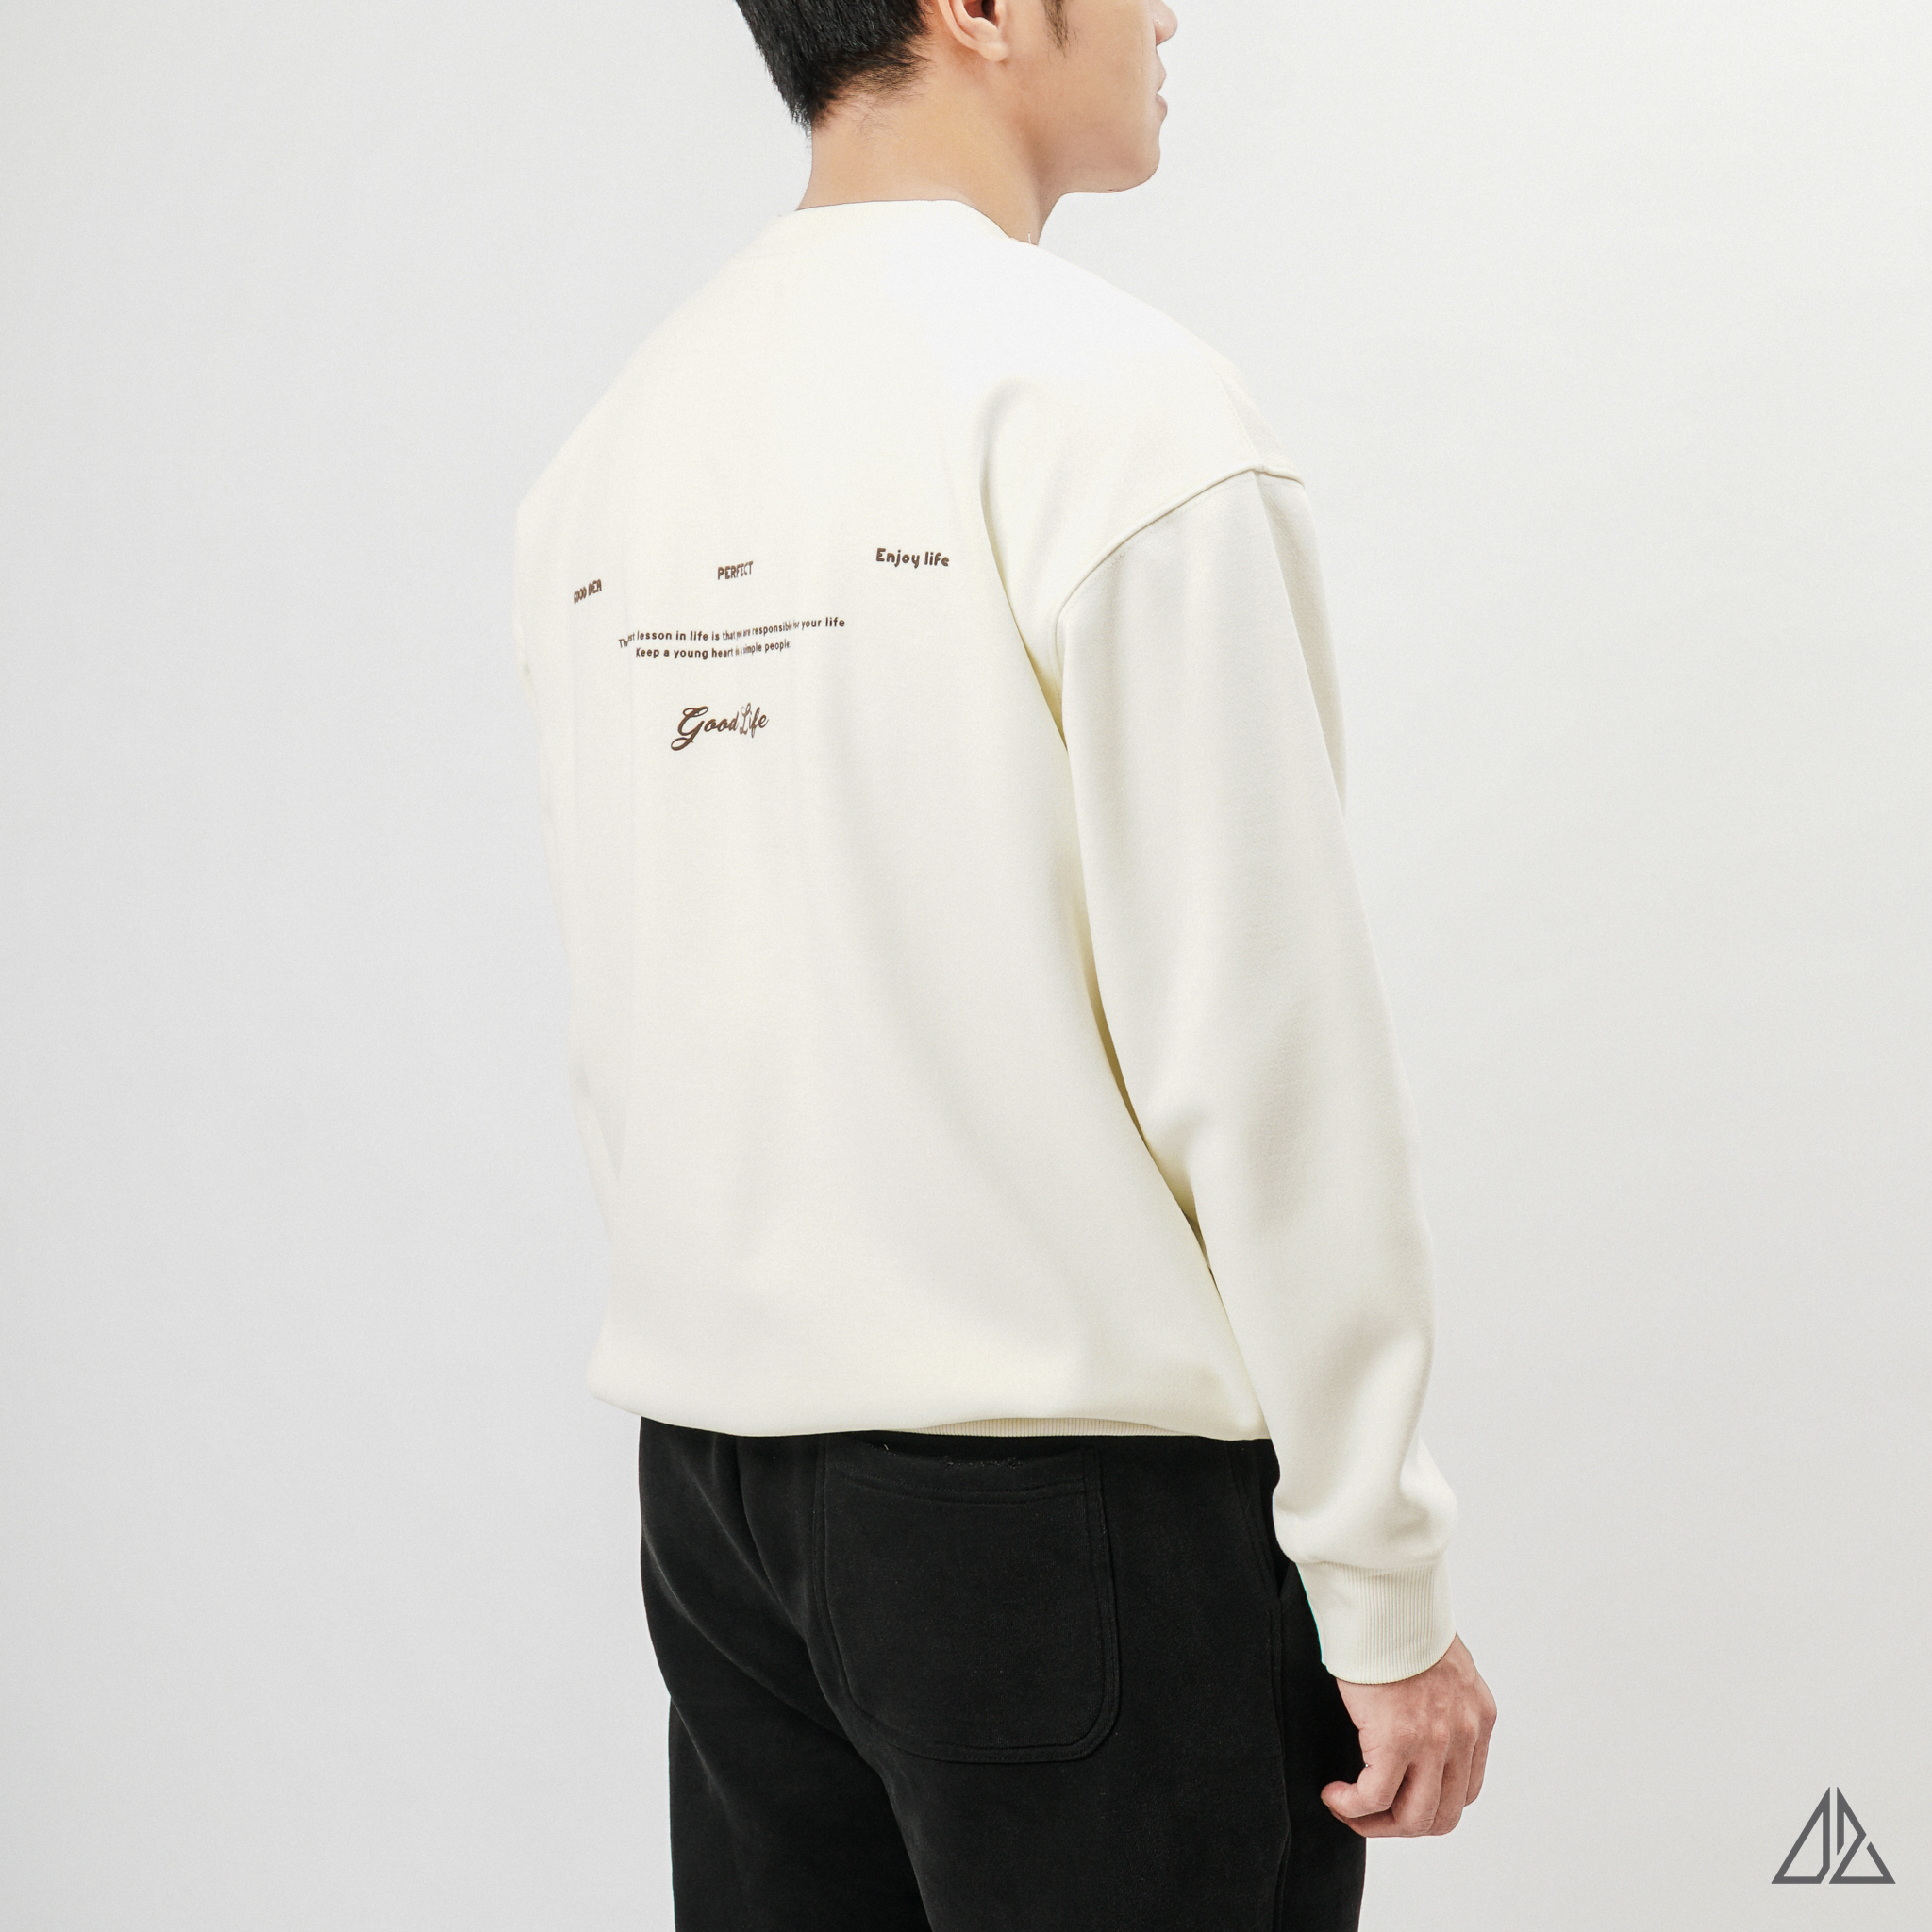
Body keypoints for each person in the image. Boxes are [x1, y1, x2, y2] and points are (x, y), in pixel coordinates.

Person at [512, 1, 1497, 1924]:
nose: (1167, 12)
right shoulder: (1113, 416)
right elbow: (1259, 1048)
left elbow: (638, 1006)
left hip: (719, 1505)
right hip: (1067, 1528)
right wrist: (1381, 1583)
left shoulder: (612, 450)